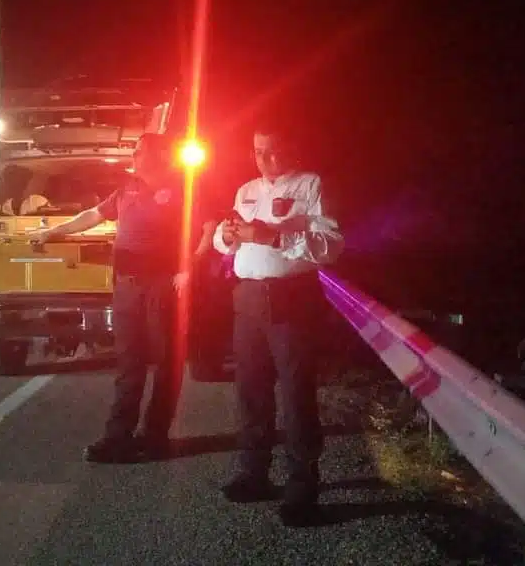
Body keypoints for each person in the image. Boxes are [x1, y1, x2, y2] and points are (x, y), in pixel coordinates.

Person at [31, 133, 200, 463]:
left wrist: (188, 268)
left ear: (161, 154)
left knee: (166, 360)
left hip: (162, 285)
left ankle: (155, 436)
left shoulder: (183, 188)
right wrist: (53, 231)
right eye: (135, 151)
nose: (134, 156)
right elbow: (93, 215)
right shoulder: (126, 188)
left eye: (140, 150)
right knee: (128, 361)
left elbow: (203, 229)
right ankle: (118, 436)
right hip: (127, 286)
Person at [212, 126, 344, 516]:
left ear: (293, 148)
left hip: (290, 299)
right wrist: (227, 235)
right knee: (250, 390)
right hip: (248, 298)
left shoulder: (311, 185)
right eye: (257, 151)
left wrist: (273, 238)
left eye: (272, 150)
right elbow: (227, 244)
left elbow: (331, 246)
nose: (264, 159)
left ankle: (302, 484)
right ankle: (255, 472)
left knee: (294, 393)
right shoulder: (246, 190)